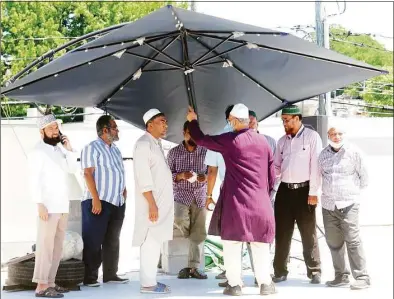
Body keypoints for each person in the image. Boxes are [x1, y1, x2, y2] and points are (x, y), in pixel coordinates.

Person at [187, 104, 276, 296]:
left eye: (230, 121)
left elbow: (201, 139)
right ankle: (265, 284)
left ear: (235, 120)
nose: (229, 123)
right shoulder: (263, 142)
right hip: (261, 203)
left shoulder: (231, 140)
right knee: (260, 245)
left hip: (237, 203)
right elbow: (272, 177)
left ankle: (235, 285)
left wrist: (192, 120)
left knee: (233, 244)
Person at [28, 114, 79, 298]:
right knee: (45, 247)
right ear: (42, 132)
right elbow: (34, 180)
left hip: (62, 206)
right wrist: (39, 203)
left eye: (56, 128)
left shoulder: (59, 150)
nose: (55, 131)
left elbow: (72, 169)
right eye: (51, 128)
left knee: (57, 247)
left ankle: (50, 283)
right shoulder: (37, 151)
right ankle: (41, 286)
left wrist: (69, 149)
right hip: (47, 207)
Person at [273, 105, 322, 284]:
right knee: (282, 233)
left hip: (305, 191)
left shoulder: (311, 137)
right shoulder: (281, 141)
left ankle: (314, 270)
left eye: (287, 120)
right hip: (285, 191)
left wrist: (313, 192)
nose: (284, 123)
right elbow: (276, 167)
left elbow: (316, 166)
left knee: (308, 233)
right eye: (283, 120)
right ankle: (279, 271)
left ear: (297, 118)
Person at [318, 124, 370, 290]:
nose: (336, 137)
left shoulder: (354, 152)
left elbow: (364, 178)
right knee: (333, 241)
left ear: (344, 135)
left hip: (348, 203)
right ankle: (341, 275)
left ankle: (362, 276)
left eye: (339, 133)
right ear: (328, 135)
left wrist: (350, 192)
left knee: (353, 240)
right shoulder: (323, 154)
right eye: (333, 134)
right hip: (328, 205)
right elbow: (318, 176)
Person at [80, 115, 128, 287]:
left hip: (117, 201)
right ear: (105, 129)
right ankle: (90, 277)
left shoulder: (116, 149)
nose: (117, 130)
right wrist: (95, 199)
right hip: (98, 201)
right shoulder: (91, 148)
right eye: (115, 127)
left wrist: (124, 191)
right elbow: (87, 173)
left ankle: (110, 274)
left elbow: (119, 172)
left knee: (113, 240)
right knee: (93, 240)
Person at [132, 108, 174, 294]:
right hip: (152, 205)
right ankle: (147, 284)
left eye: (165, 122)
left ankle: (151, 281)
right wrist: (152, 203)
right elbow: (144, 178)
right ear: (150, 125)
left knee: (155, 241)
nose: (165, 125)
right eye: (161, 121)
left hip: (159, 204)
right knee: (149, 241)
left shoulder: (155, 143)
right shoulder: (143, 145)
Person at [167, 121, 208, 280]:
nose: (192, 136)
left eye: (195, 133)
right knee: (178, 218)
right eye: (189, 132)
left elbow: (210, 173)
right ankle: (191, 236)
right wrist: (180, 175)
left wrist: (203, 177)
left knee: (199, 232)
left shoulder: (205, 152)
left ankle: (194, 267)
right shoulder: (174, 153)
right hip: (181, 195)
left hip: (200, 195)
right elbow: (166, 176)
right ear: (183, 133)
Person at [204, 105, 234, 281]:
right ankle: (258, 274)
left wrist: (209, 196)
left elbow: (212, 171)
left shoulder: (218, 139)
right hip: (251, 189)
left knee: (229, 232)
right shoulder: (251, 136)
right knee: (248, 232)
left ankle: (231, 271)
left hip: (228, 190)